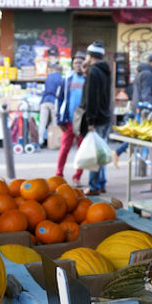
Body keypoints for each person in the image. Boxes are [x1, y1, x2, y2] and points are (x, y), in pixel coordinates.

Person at [80, 41, 112, 196]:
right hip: (106, 116)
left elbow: (92, 97)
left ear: (90, 55)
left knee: (94, 154)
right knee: (102, 153)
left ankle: (93, 186)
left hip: (96, 118)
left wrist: (90, 121)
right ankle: (101, 183)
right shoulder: (105, 70)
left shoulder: (94, 72)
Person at [55, 51, 86, 185]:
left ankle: (77, 176)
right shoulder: (67, 80)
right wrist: (59, 119)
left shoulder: (87, 80)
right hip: (68, 121)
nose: (78, 65)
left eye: (80, 62)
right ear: (72, 65)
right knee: (64, 149)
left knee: (82, 151)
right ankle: (59, 174)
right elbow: (60, 99)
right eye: (75, 63)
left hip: (83, 122)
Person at [37, 57, 63, 147]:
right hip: (53, 101)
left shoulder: (49, 77)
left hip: (44, 101)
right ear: (61, 71)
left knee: (42, 122)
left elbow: (45, 90)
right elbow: (60, 93)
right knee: (55, 122)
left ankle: (40, 140)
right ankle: (53, 142)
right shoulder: (61, 79)